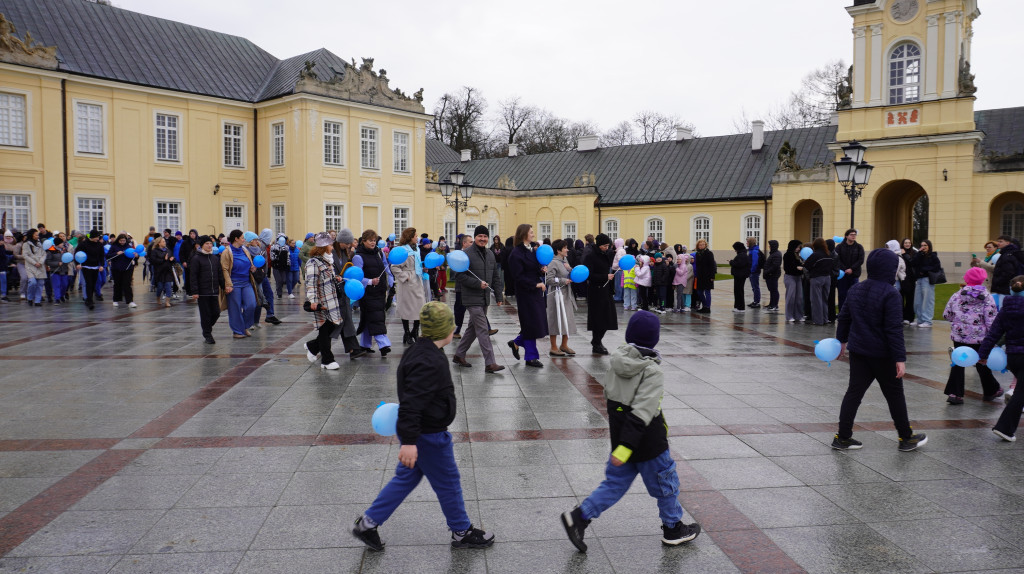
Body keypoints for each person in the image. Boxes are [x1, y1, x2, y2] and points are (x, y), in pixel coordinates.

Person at [353, 301, 495, 551]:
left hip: (420, 431)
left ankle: (367, 523)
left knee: (405, 480)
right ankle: (461, 531)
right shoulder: (428, 360)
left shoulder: (422, 350)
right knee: (449, 481)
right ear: (447, 330)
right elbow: (411, 404)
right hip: (428, 434)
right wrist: (409, 442)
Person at [561, 310, 701, 553]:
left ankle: (579, 517)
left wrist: (622, 446)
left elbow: (610, 399)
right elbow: (643, 413)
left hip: (621, 439)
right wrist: (628, 445)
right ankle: (673, 528)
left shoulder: (617, 361)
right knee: (667, 484)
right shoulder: (652, 371)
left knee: (614, 484)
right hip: (648, 444)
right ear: (654, 339)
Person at [832, 248, 928, 452]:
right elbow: (893, 329)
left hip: (859, 351)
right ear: (890, 269)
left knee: (853, 393)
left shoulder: (856, 288)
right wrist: (900, 358)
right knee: (895, 395)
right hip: (883, 355)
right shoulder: (890, 293)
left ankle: (842, 437)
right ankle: (906, 437)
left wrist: (841, 341)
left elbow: (844, 316)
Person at [942, 267, 1001, 404]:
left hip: (960, 336)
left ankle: (955, 394)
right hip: (980, 338)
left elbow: (947, 315)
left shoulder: (957, 295)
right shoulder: (987, 297)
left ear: (966, 279)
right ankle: (991, 390)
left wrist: (958, 320)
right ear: (982, 280)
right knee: (982, 363)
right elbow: (991, 319)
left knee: (958, 362)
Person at [452, 226, 505, 373]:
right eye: (480, 236)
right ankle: (490, 363)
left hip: (485, 297)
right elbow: (459, 276)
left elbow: (495, 276)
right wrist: (478, 284)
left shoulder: (490, 254)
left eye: (485, 236)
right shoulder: (466, 254)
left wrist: (499, 296)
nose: (483, 239)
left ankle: (459, 355)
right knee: (482, 329)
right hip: (471, 298)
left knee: (473, 329)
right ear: (475, 237)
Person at [979, 275, 1024, 442]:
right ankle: (1004, 428)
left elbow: (993, 334)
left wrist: (983, 355)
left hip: (1013, 357)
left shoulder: (1005, 310)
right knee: (1020, 394)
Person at [507, 224, 549, 367]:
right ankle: (531, 357)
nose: (533, 234)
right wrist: (535, 284)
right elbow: (518, 277)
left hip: (535, 292)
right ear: (524, 234)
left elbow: (533, 269)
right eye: (531, 232)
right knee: (530, 323)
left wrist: (541, 270)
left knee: (536, 323)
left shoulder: (532, 250)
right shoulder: (516, 253)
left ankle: (517, 342)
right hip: (526, 293)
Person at [303, 232, 345, 370]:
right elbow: (311, 282)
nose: (332, 247)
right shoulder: (313, 262)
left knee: (331, 326)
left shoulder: (327, 260)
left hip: (331, 299)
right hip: (321, 300)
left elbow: (328, 276)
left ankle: (312, 346)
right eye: (330, 244)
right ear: (324, 246)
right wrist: (313, 300)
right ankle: (327, 360)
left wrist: (336, 278)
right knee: (324, 329)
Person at [330, 229, 367, 360]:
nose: (351, 245)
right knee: (336, 324)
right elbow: (329, 271)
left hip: (343, 292)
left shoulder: (346, 254)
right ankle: (315, 346)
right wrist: (335, 277)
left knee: (346, 321)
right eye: (348, 243)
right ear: (342, 242)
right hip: (333, 292)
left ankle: (353, 349)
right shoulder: (331, 253)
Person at [354, 229, 391, 357]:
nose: (373, 243)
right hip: (367, 292)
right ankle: (384, 344)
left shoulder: (378, 253)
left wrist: (389, 281)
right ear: (363, 241)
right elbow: (356, 277)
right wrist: (369, 281)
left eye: (374, 240)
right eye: (370, 240)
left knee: (369, 317)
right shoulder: (358, 257)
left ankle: (364, 344)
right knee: (376, 318)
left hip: (380, 291)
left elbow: (386, 268)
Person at [584, 233, 618, 355]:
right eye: (604, 245)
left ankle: (596, 341)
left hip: (606, 290)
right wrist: (605, 276)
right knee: (598, 319)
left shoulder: (606, 254)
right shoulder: (590, 256)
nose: (607, 248)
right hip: (596, 291)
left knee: (608, 318)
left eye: (608, 245)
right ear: (599, 245)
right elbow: (589, 275)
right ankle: (597, 343)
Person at [220, 229, 258, 338]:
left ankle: (244, 326)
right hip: (234, 283)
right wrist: (228, 284)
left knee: (251, 304)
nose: (244, 240)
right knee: (235, 307)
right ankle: (237, 331)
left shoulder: (245, 249)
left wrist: (252, 268)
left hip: (246, 282)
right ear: (236, 239)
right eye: (242, 237)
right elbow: (224, 269)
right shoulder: (227, 252)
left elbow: (250, 264)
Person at [393, 227, 427, 345]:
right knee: (406, 308)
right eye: (416, 236)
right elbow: (394, 267)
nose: (417, 238)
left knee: (420, 307)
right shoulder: (402, 250)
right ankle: (407, 333)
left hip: (417, 280)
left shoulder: (416, 249)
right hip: (407, 283)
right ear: (410, 237)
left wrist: (422, 268)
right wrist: (405, 277)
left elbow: (417, 263)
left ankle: (415, 331)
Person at [189, 236, 224, 344]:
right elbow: (193, 276)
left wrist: (224, 286)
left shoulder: (214, 258)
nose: (209, 246)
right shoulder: (196, 258)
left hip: (214, 290)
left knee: (216, 313)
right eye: (207, 244)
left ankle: (207, 327)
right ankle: (207, 334)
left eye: (210, 244)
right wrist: (195, 291)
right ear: (201, 245)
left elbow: (219, 274)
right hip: (203, 291)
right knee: (206, 314)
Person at [546, 239, 577, 356]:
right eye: (564, 248)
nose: (567, 249)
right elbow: (549, 280)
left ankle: (564, 345)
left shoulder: (565, 260)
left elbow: (569, 274)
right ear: (558, 250)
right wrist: (563, 280)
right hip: (556, 295)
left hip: (566, 294)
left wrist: (571, 270)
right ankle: (553, 347)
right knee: (554, 319)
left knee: (567, 318)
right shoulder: (553, 262)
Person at [911, 239, 941, 328]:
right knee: (917, 302)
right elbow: (913, 263)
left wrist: (924, 270)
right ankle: (920, 320)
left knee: (927, 301)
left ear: (929, 246)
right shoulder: (919, 255)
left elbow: (937, 267)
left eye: (925, 245)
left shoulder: (933, 256)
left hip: (927, 280)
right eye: (922, 245)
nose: (923, 247)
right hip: (919, 280)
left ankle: (927, 321)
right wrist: (918, 254)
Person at [835, 228, 865, 313]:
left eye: (855, 235)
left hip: (854, 274)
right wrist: (845, 269)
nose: (853, 236)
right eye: (852, 235)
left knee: (854, 295)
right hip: (842, 275)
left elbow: (861, 260)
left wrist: (851, 269)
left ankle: (853, 313)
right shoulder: (840, 247)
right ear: (846, 236)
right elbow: (837, 259)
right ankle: (841, 312)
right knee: (842, 295)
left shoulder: (859, 247)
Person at [991, 236, 1024, 309]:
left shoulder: (1007, 255)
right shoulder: (1010, 253)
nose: (998, 243)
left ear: (1007, 243)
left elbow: (1008, 272)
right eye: (998, 241)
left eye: (1001, 241)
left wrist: (997, 281)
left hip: (1005, 288)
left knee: (1003, 308)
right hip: (1010, 287)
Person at [75, 230, 105, 310]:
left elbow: (102, 255)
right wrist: (77, 263)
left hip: (95, 266)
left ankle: (89, 298)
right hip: (86, 266)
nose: (98, 239)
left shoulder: (99, 245)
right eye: (97, 237)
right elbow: (77, 253)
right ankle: (90, 301)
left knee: (93, 284)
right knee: (89, 283)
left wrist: (101, 265)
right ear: (92, 237)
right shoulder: (83, 244)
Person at [107, 234, 137, 308]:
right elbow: (108, 256)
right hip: (116, 268)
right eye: (121, 240)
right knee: (117, 284)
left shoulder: (128, 247)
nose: (122, 242)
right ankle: (116, 300)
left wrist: (136, 256)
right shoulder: (114, 246)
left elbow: (133, 257)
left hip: (127, 268)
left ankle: (130, 301)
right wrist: (116, 253)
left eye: (124, 240)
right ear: (118, 240)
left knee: (127, 284)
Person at [452, 235, 473, 339]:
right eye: (470, 242)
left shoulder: (473, 254)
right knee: (460, 309)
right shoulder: (459, 255)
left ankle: (487, 328)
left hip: (472, 287)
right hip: (461, 287)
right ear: (464, 243)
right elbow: (456, 272)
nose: (472, 244)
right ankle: (457, 329)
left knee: (477, 308)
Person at [149, 237, 175, 307]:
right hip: (159, 272)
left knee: (168, 287)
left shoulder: (168, 250)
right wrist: (164, 259)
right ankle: (158, 297)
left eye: (164, 241)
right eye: (163, 241)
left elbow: (171, 257)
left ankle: (167, 301)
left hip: (168, 271)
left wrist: (172, 259)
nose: (165, 243)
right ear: (159, 243)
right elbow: (153, 261)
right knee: (160, 287)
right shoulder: (155, 251)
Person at [22, 228, 45, 306]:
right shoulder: (26, 244)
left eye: (38, 235)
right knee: (32, 282)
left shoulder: (40, 243)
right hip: (30, 266)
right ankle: (30, 297)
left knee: (40, 283)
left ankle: (37, 300)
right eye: (36, 235)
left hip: (40, 266)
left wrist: (41, 262)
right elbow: (25, 255)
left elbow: (44, 254)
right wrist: (34, 263)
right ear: (32, 235)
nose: (37, 236)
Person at [693, 239, 715, 314]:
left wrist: (712, 276)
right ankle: (705, 306)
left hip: (708, 276)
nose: (701, 246)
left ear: (705, 245)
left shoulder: (709, 253)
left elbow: (712, 265)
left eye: (703, 244)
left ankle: (707, 307)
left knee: (707, 292)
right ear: (698, 246)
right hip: (700, 276)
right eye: (700, 244)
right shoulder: (697, 254)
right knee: (699, 292)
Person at [728, 242, 750, 313]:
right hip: (739, 275)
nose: (735, 250)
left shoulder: (742, 255)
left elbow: (739, 264)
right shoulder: (742, 254)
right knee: (737, 291)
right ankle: (737, 306)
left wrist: (731, 262)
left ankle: (740, 307)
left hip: (740, 275)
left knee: (739, 291)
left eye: (735, 249)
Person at [899, 238, 917, 323]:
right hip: (901, 278)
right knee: (900, 298)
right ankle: (901, 316)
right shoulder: (899, 253)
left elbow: (912, 262)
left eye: (909, 243)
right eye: (905, 243)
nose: (907, 244)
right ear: (903, 244)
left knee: (910, 298)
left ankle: (909, 317)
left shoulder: (914, 253)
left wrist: (905, 254)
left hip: (910, 279)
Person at [763, 240, 782, 312]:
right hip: (770, 275)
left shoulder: (776, 254)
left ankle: (774, 305)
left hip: (773, 275)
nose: (769, 246)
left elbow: (775, 266)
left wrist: (767, 272)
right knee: (772, 290)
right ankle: (771, 304)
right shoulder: (774, 253)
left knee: (774, 290)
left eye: (770, 245)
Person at [746, 237, 764, 308]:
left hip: (754, 272)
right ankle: (755, 301)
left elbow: (755, 263)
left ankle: (757, 302)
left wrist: (751, 271)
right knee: (754, 287)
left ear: (750, 242)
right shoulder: (752, 250)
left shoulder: (754, 251)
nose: (746, 243)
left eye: (747, 242)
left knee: (755, 287)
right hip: (753, 272)